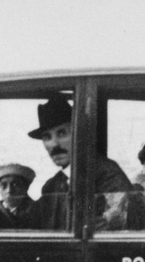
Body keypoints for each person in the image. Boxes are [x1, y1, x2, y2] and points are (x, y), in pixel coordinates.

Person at [26, 93, 135, 231]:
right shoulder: (52, 186)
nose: (54, 144)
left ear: (79, 134)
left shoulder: (107, 174)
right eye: (47, 137)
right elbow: (32, 223)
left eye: (61, 133)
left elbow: (123, 220)